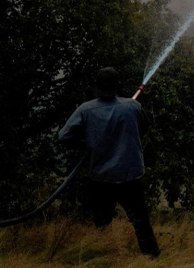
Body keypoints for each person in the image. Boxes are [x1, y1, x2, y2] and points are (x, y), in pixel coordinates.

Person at [59, 67, 160, 258]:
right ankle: (153, 258)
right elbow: (144, 127)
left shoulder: (85, 109)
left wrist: (86, 144)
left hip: (101, 178)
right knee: (141, 222)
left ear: (97, 87)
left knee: (102, 224)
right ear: (117, 86)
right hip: (130, 175)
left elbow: (63, 137)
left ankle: (104, 258)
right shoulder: (133, 106)